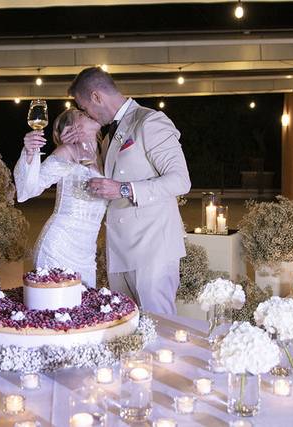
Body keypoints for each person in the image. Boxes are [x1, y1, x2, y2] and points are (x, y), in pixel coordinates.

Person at [67, 66, 191, 314]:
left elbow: (180, 181)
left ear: (96, 97)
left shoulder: (150, 121)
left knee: (160, 325)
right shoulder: (108, 136)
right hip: (120, 249)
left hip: (153, 248)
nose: (87, 114)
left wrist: (124, 189)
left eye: (84, 108)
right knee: (128, 326)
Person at [13, 109, 106, 287]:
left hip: (87, 254)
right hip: (58, 249)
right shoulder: (67, 152)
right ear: (71, 128)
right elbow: (29, 190)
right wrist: (30, 150)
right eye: (82, 114)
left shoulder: (104, 155)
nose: (90, 113)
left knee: (83, 312)